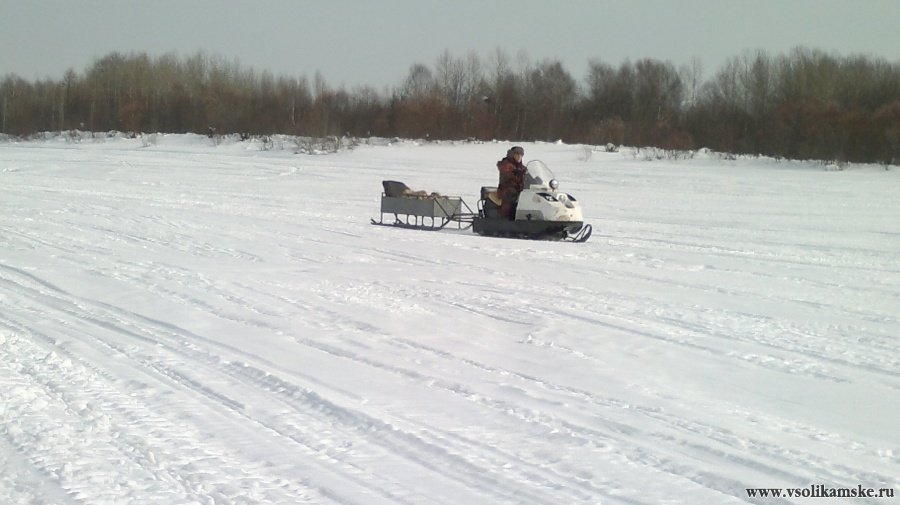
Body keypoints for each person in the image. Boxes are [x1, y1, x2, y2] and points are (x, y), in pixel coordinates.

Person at [496, 146, 527, 219]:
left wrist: (534, 178)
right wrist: (514, 172)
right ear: (512, 155)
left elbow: (527, 174)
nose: (519, 157)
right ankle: (506, 216)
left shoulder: (522, 167)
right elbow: (506, 171)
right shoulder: (505, 164)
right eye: (517, 154)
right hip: (506, 188)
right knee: (511, 194)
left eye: (521, 155)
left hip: (519, 189)